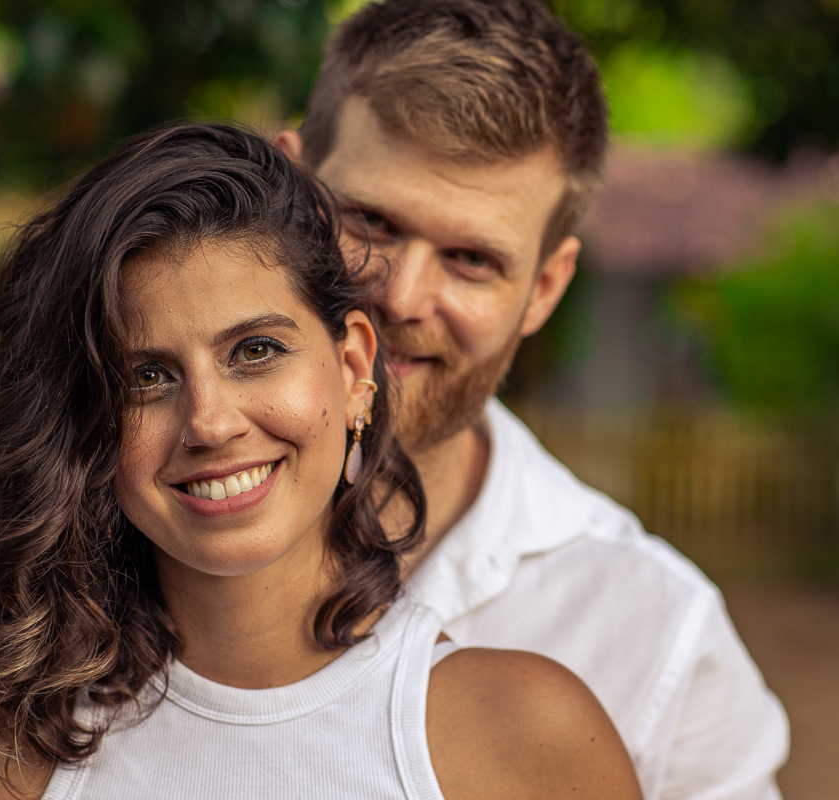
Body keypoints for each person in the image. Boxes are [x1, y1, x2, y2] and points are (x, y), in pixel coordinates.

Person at [0, 124, 642, 800]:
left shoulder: (528, 740)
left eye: (255, 351)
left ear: (356, 365)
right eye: (145, 376)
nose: (209, 422)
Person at [272, 2, 790, 798]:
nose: (402, 298)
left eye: (472, 259)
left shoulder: (655, 635)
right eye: (371, 220)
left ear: (545, 288)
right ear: (287, 190)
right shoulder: (83, 539)